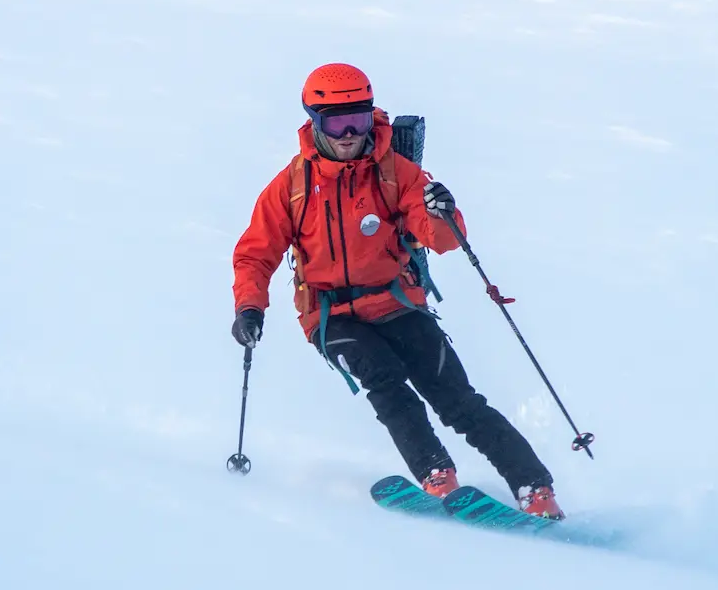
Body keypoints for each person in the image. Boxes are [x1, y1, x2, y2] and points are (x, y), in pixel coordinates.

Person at [230, 63, 563, 519]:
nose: (349, 134)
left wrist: (444, 213)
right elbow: (255, 253)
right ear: (314, 122)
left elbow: (440, 240)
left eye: (358, 120)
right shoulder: (292, 187)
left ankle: (536, 489)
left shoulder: (396, 173)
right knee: (384, 381)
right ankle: (437, 475)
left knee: (457, 399)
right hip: (331, 316)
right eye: (336, 123)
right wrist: (250, 307)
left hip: (398, 303)